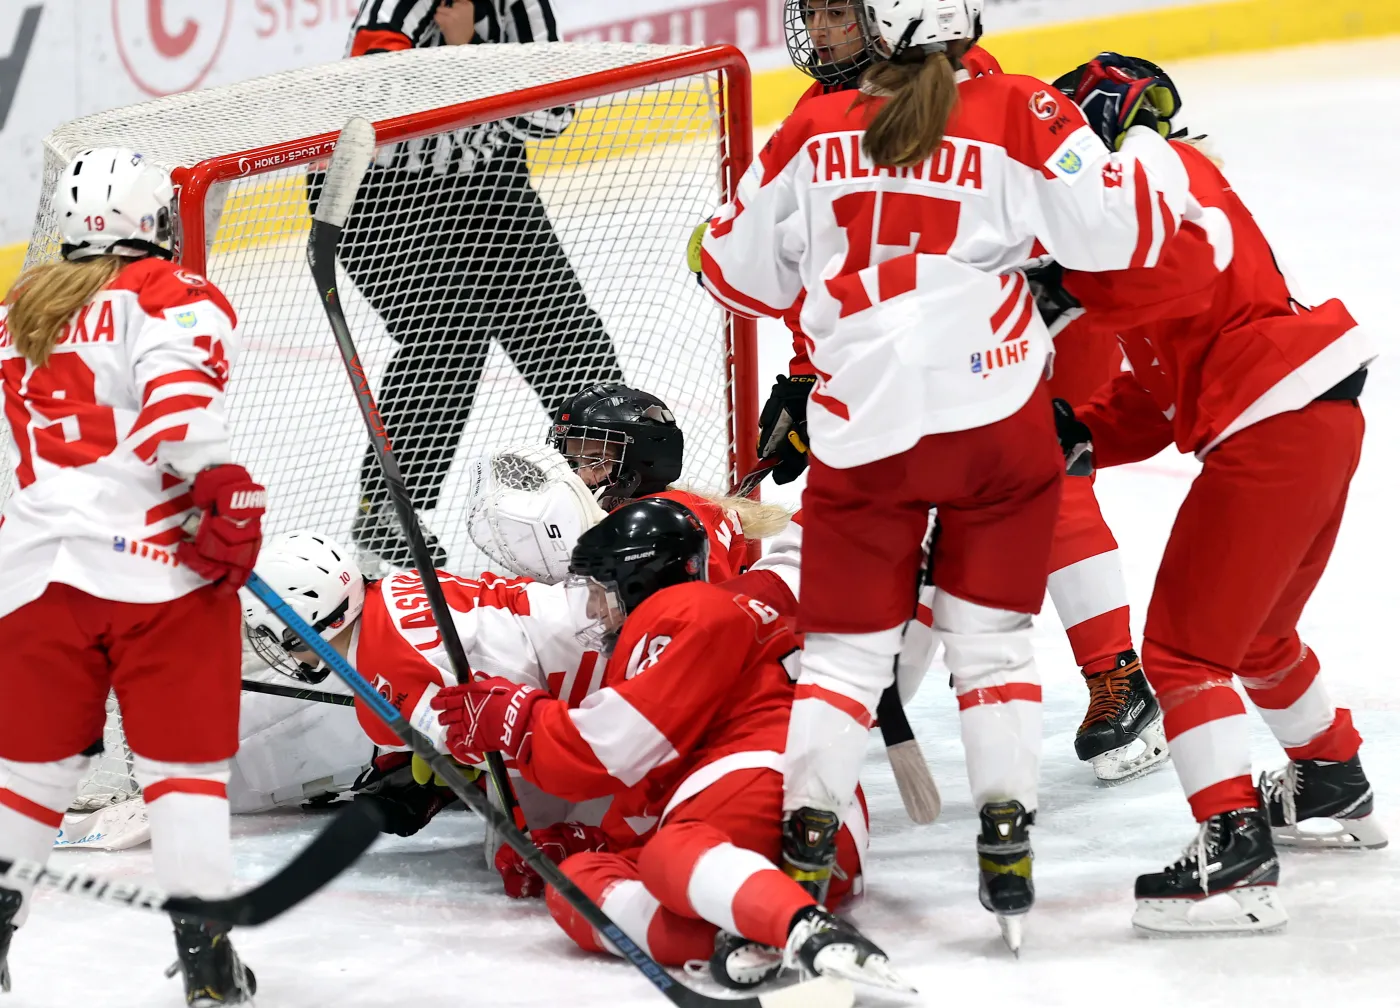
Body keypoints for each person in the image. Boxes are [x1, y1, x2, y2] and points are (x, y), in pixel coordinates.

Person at [697, 0, 1188, 947]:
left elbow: (739, 271)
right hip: (992, 391)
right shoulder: (1022, 107)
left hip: (875, 414)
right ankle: (1007, 832)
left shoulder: (816, 125)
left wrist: (818, 364)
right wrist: (1133, 153)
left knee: (843, 655)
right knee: (993, 639)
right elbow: (1117, 239)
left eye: (842, 12)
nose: (823, 30)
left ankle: (806, 835)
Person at [768, 0, 1164, 784]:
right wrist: (808, 374)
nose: (819, 34)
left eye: (837, 15)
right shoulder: (814, 114)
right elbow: (818, 264)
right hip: (909, 349)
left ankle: (1118, 678)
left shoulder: (963, 86)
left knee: (1041, 465)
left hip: (1032, 318)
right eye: (811, 15)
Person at [1044, 55, 1383, 936]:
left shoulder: (1169, 176)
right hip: (1311, 418)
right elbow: (1160, 397)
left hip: (1275, 428)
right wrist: (1078, 431)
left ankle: (1233, 859)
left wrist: (1067, 289)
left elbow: (1179, 278)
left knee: (1185, 656)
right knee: (1260, 636)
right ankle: (1330, 775)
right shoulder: (1155, 205)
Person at [428, 498, 901, 993]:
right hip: (791, 834)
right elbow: (651, 780)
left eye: (596, 591)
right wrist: (590, 842)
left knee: (672, 853)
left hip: (778, 794)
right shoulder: (720, 611)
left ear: (636, 580)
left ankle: (806, 932)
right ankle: (744, 931)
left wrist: (519, 720)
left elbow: (611, 747)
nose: (590, 610)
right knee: (576, 886)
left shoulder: (683, 610)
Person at [0, 148, 264, 1004]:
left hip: (32, 581)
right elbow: (179, 408)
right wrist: (226, 494)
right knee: (182, 774)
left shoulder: (12, 310)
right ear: (155, 220)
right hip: (161, 576)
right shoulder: (169, 295)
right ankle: (210, 965)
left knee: (27, 777)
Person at [334, 0, 623, 567]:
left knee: (572, 341)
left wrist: (463, 58)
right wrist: (482, 74)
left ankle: (609, 483)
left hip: (488, 186)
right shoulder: (393, 10)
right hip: (378, 199)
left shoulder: (521, 8)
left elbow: (556, 114)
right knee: (446, 336)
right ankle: (386, 508)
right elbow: (377, 114)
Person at [546, 383, 790, 581]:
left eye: (596, 460)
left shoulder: (662, 530)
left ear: (644, 461)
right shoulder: (676, 510)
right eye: (573, 460)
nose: (581, 475)